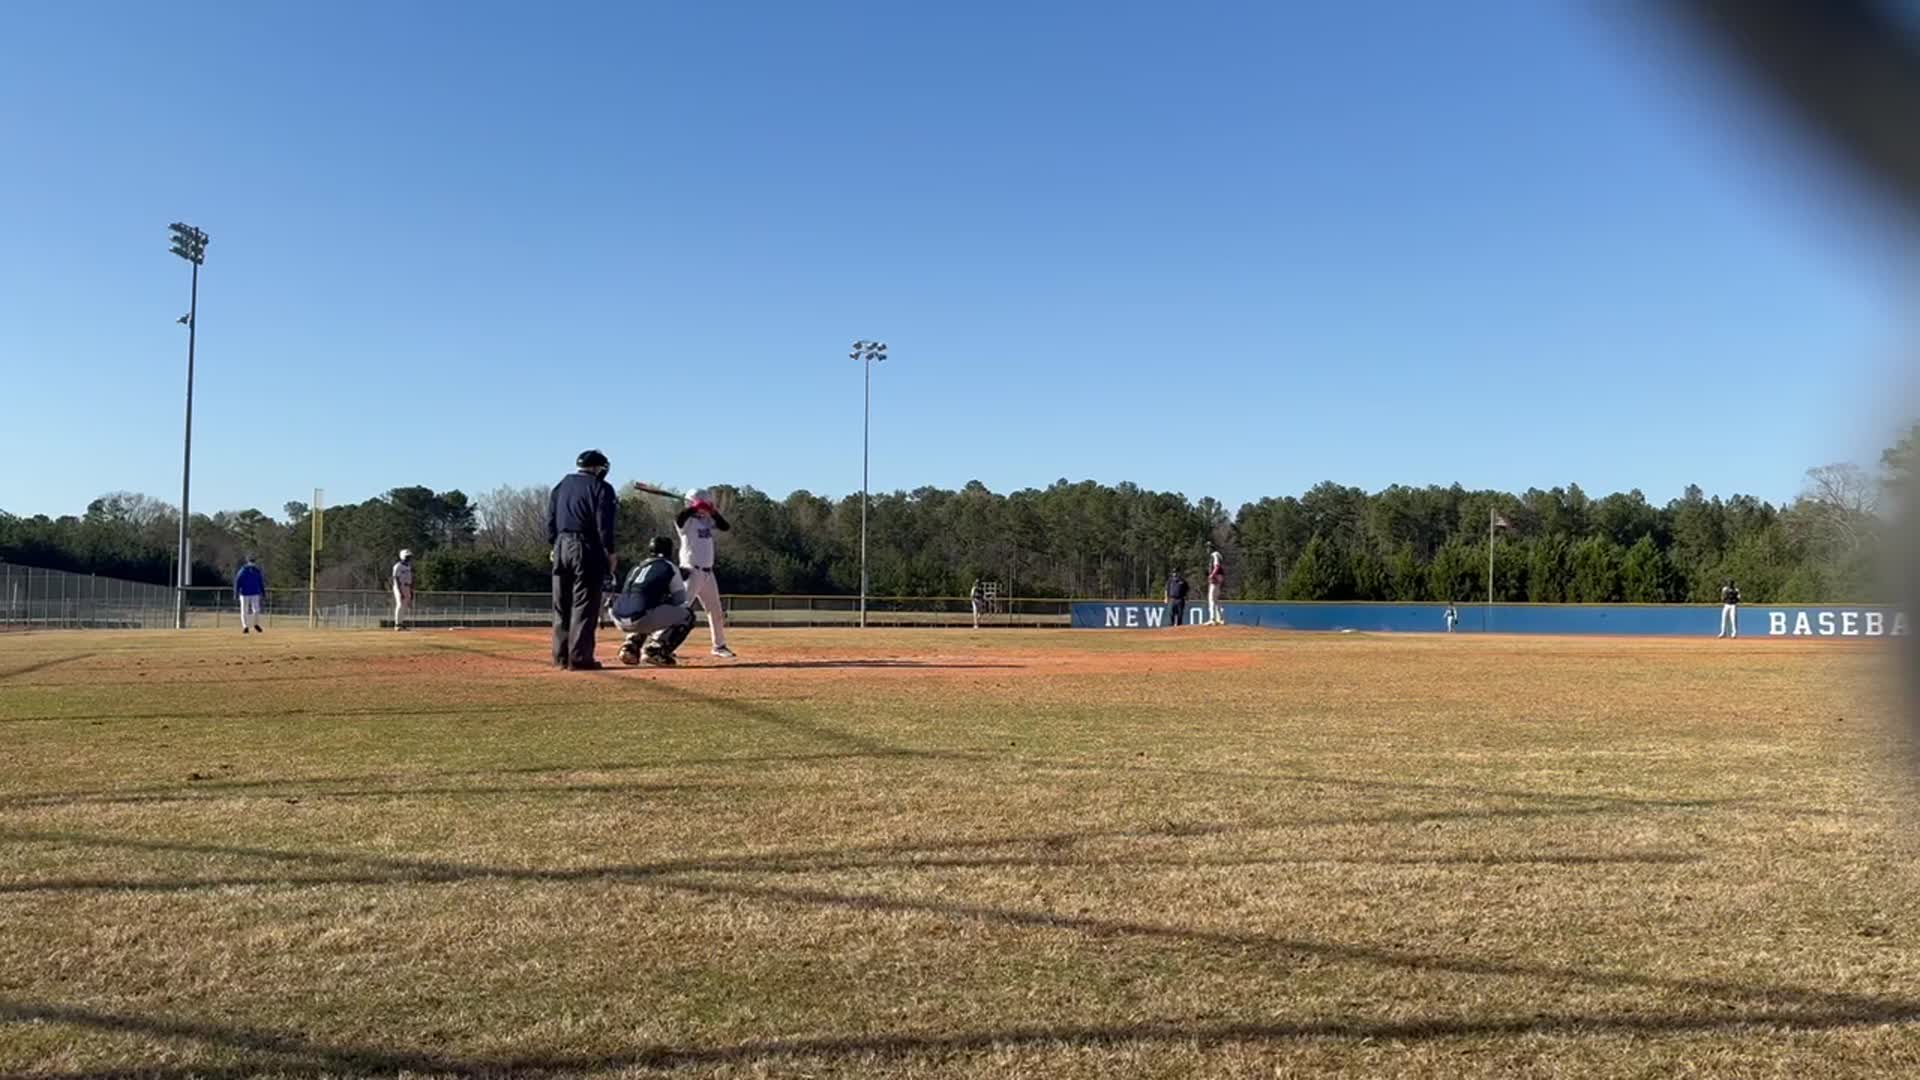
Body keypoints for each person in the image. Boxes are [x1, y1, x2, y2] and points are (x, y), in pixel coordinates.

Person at [548, 449, 618, 670]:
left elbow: (550, 519)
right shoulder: (601, 488)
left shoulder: (561, 486)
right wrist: (610, 550)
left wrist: (553, 544)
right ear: (597, 468)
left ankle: (561, 656)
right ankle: (579, 657)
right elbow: (603, 522)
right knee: (584, 604)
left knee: (562, 604)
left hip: (561, 544)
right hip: (586, 545)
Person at [610, 537, 697, 666]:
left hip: (618, 616)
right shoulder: (669, 566)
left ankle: (630, 647)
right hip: (642, 617)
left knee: (647, 606)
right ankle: (656, 651)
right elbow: (680, 601)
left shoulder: (638, 566)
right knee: (688, 615)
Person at [676, 488, 736, 659]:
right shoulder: (686, 522)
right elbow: (679, 518)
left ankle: (719, 645)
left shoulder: (707, 520)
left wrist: (712, 511)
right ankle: (658, 643)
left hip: (708, 573)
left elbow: (725, 526)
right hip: (691, 570)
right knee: (679, 610)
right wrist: (693, 508)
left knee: (715, 611)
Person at [235, 555, 266, 634]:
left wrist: (263, 592)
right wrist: (236, 592)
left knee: (256, 610)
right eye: (251, 561)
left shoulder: (257, 571)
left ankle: (255, 624)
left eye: (253, 561)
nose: (252, 563)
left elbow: (260, 582)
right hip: (244, 593)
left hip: (255, 593)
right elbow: (237, 582)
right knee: (244, 611)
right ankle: (245, 627)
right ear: (248, 562)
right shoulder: (243, 570)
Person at [391, 549, 415, 632]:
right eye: (407, 557)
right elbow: (396, 578)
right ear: (402, 556)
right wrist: (400, 591)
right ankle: (397, 624)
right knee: (400, 604)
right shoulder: (398, 566)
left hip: (407, 586)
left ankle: (401, 623)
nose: (408, 558)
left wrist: (411, 590)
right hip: (400, 586)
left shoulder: (408, 566)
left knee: (405, 605)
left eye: (409, 557)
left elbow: (410, 578)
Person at [1206, 548, 1226, 625]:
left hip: (1215, 580)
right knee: (1216, 600)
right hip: (1218, 580)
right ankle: (1221, 619)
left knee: (1211, 599)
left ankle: (1212, 619)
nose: (1207, 549)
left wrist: (1212, 575)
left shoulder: (1214, 555)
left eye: (1208, 547)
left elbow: (1217, 566)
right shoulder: (1216, 555)